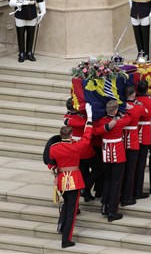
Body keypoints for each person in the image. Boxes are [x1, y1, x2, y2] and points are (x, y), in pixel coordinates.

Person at [48, 103, 93, 249]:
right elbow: (86, 138)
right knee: (71, 211)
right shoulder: (75, 147)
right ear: (71, 135)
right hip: (73, 180)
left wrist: (56, 173)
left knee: (67, 204)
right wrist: (90, 119)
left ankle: (61, 226)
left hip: (61, 180)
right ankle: (66, 239)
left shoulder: (54, 148)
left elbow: (51, 164)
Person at [93, 100, 131, 222]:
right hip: (117, 154)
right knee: (116, 183)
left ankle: (104, 205)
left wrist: (106, 127)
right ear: (115, 110)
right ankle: (112, 211)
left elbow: (96, 131)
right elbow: (129, 118)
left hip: (106, 154)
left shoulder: (102, 121)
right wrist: (120, 114)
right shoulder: (119, 122)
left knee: (108, 180)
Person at [63, 98, 100, 202]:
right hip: (84, 149)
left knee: (84, 171)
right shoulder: (79, 119)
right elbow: (86, 123)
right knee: (99, 167)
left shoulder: (67, 117)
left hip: (76, 149)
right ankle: (85, 188)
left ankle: (86, 192)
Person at [120, 85, 148, 206]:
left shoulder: (121, 108)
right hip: (132, 140)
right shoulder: (137, 107)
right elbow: (146, 113)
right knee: (131, 170)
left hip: (120, 139)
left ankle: (122, 193)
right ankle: (127, 196)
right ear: (133, 95)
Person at [134, 79, 151, 199]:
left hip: (133, 132)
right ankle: (138, 190)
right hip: (145, 133)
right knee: (141, 164)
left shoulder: (135, 101)